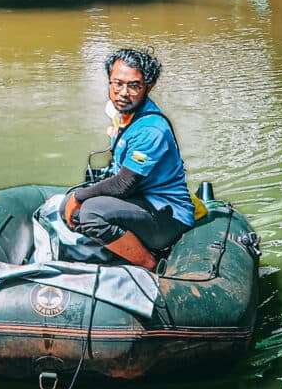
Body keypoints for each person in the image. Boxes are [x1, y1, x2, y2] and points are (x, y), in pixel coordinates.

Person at [62, 47, 194, 270]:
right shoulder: (121, 111)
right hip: (139, 200)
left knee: (90, 212)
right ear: (109, 81)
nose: (123, 93)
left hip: (167, 214)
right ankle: (121, 248)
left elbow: (124, 184)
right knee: (67, 204)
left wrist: (79, 196)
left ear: (148, 87)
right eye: (117, 83)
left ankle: (149, 265)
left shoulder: (152, 129)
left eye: (134, 86)